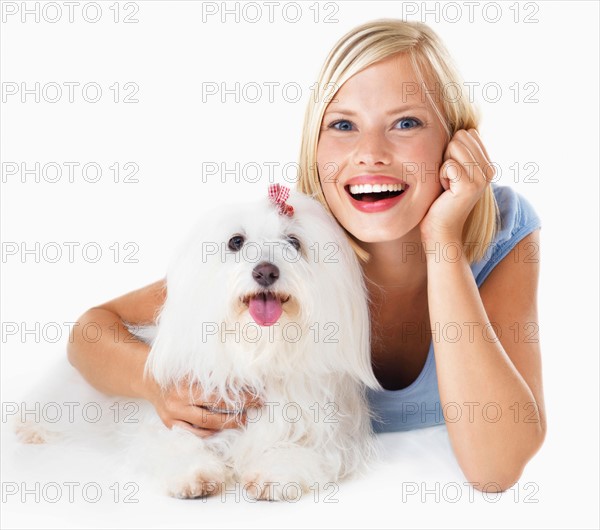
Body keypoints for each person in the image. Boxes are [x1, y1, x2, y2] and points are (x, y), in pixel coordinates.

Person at [67, 19, 546, 492]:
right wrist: (158, 388)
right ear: (314, 148)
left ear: (459, 138)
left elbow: (495, 468)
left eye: (406, 122)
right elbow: (90, 330)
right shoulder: (295, 244)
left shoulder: (504, 232)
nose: (370, 153)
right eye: (343, 125)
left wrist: (443, 240)